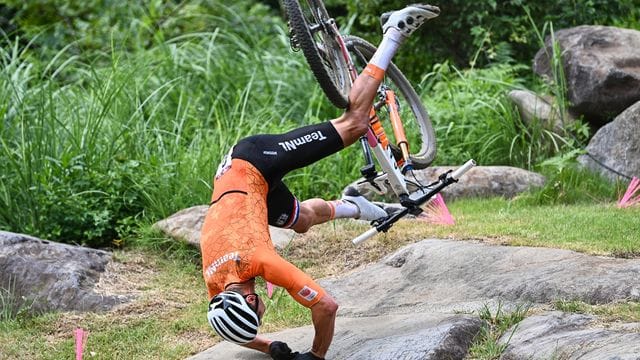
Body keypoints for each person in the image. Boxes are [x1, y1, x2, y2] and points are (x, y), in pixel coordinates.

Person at [200, 4, 440, 360]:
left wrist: (314, 356)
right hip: (246, 191)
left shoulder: (258, 261)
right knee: (301, 221)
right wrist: (271, 347)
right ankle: (359, 206)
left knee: (355, 121)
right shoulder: (217, 285)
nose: (263, 319)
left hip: (253, 160)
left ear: (251, 299)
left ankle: (394, 32)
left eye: (259, 317)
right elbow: (231, 327)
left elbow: (326, 306)